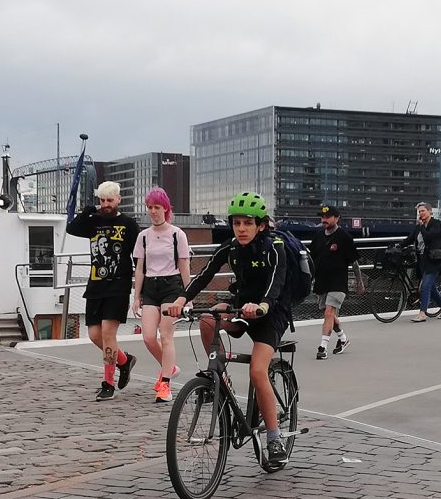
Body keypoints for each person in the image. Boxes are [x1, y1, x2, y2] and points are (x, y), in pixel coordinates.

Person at [170, 191, 293, 468]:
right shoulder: (231, 247)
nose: (241, 229)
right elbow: (205, 274)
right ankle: (219, 381)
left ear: (261, 225)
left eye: (248, 223)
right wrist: (181, 300)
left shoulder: (274, 246)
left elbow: (276, 281)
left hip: (270, 313)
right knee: (207, 320)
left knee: (258, 370)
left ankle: (274, 439)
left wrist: (262, 305)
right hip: (241, 308)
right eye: (237, 223)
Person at [67, 181, 140, 401]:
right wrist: (88, 211)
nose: (106, 205)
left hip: (118, 285)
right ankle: (125, 361)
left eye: (110, 200)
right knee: (94, 335)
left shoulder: (128, 224)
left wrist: (139, 287)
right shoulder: (94, 222)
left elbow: (138, 257)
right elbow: (72, 228)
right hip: (96, 284)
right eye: (102, 200)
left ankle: (107, 383)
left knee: (109, 333)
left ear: (118, 199)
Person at [131, 187, 190, 404]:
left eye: (157, 207)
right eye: (150, 207)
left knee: (166, 336)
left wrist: (187, 295)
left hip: (172, 286)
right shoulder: (143, 237)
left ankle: (165, 384)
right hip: (151, 287)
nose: (153, 211)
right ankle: (170, 367)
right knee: (148, 336)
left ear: (166, 208)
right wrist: (136, 296)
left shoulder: (177, 234)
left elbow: (184, 266)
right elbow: (139, 268)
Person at [310, 204, 358, 360]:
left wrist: (360, 282)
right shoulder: (317, 237)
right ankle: (343, 339)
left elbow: (354, 261)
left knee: (329, 312)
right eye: (322, 217)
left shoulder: (344, 237)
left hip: (338, 281)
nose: (324, 220)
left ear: (337, 218)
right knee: (326, 313)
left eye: (327, 217)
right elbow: (311, 260)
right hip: (322, 281)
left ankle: (322, 347)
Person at [404, 203, 441, 322]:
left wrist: (421, 226)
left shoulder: (436, 224)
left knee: (425, 286)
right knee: (431, 288)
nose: (421, 213)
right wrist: (398, 245)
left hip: (433, 261)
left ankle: (422, 313)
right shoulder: (418, 227)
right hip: (422, 261)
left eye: (423, 211)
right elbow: (410, 239)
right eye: (419, 212)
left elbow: (428, 237)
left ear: (430, 211)